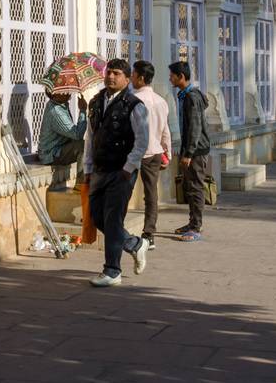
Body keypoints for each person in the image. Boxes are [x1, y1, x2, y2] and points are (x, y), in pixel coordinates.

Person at [81, 58, 150, 286]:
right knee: (97, 216)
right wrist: (88, 167)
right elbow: (90, 137)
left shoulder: (134, 105)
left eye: (117, 73)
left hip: (121, 172)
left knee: (112, 219)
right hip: (99, 169)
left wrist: (128, 168)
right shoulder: (95, 102)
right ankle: (133, 244)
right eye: (109, 72)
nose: (111, 77)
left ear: (127, 78)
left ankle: (112, 271)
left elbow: (142, 141)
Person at [130, 59, 172, 247]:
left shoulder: (134, 100)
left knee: (124, 191)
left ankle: (119, 230)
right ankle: (149, 234)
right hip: (155, 152)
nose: (131, 78)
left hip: (135, 152)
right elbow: (165, 130)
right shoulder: (161, 101)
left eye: (133, 74)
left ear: (141, 78)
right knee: (151, 194)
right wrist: (168, 153)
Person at [168, 61, 211, 240]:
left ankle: (196, 227)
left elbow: (194, 127)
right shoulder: (186, 95)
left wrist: (188, 153)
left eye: (172, 75)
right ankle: (192, 222)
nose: (170, 78)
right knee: (190, 187)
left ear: (181, 77)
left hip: (196, 150)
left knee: (195, 188)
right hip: (192, 148)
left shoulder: (192, 97)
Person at [37, 73, 87, 189]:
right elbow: (77, 134)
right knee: (83, 146)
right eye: (64, 89)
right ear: (55, 94)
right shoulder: (56, 111)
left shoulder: (61, 105)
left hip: (60, 148)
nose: (67, 91)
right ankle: (81, 183)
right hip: (52, 154)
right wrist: (83, 111)